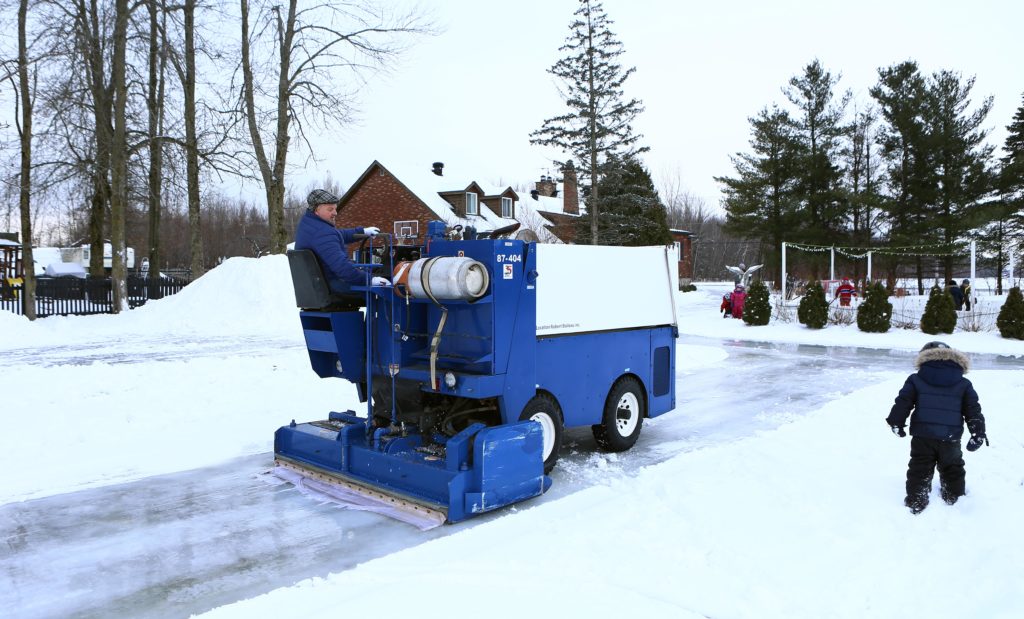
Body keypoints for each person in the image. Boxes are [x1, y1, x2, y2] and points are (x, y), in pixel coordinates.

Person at [885, 341, 987, 514]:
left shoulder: (916, 379)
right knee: (952, 466)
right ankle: (954, 496)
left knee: (920, 466)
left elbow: (903, 402)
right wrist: (978, 432)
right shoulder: (963, 383)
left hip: (922, 435)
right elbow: (973, 409)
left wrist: (896, 421)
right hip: (950, 436)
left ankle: (917, 500)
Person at [294, 189, 388, 294]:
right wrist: (370, 280)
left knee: (373, 276)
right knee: (388, 291)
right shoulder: (322, 232)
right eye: (330, 209)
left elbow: (337, 235)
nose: (335, 213)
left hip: (321, 282)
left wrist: (363, 231)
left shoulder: (310, 224)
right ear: (316, 210)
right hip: (333, 284)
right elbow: (342, 268)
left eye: (335, 209)